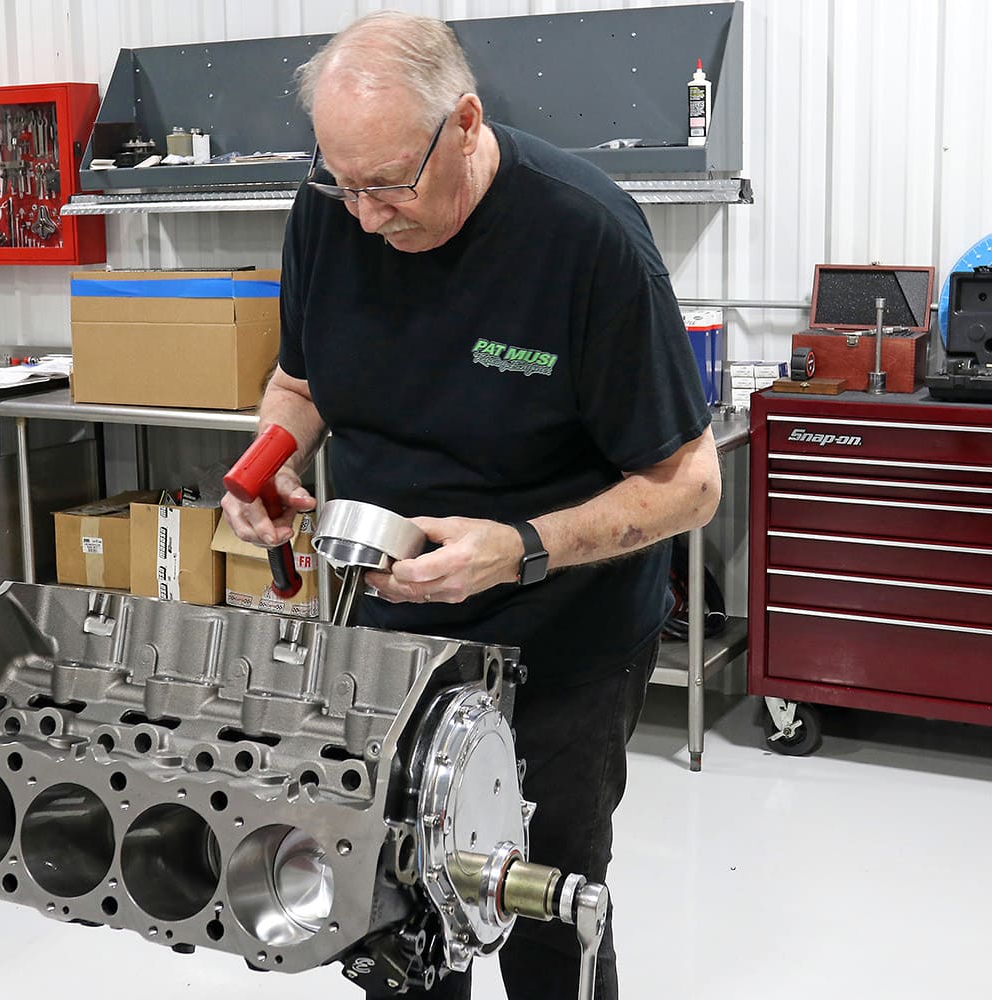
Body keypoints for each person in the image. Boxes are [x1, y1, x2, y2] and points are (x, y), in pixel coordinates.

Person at [220, 11, 721, 999]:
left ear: (466, 125)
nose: (363, 214)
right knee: (391, 897)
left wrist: (520, 547)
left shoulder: (590, 240)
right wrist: (271, 457)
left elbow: (691, 482)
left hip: (561, 636)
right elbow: (303, 380)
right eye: (343, 181)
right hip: (390, 634)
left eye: (389, 184)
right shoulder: (331, 207)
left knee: (543, 899)